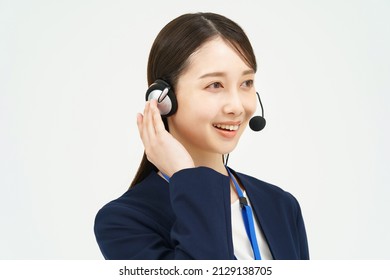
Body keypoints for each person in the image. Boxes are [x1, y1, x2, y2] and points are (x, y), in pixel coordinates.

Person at [94, 12, 309, 260]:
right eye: (215, 85)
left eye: (246, 83)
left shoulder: (280, 205)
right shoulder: (124, 222)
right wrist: (188, 178)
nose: (237, 107)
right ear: (162, 99)